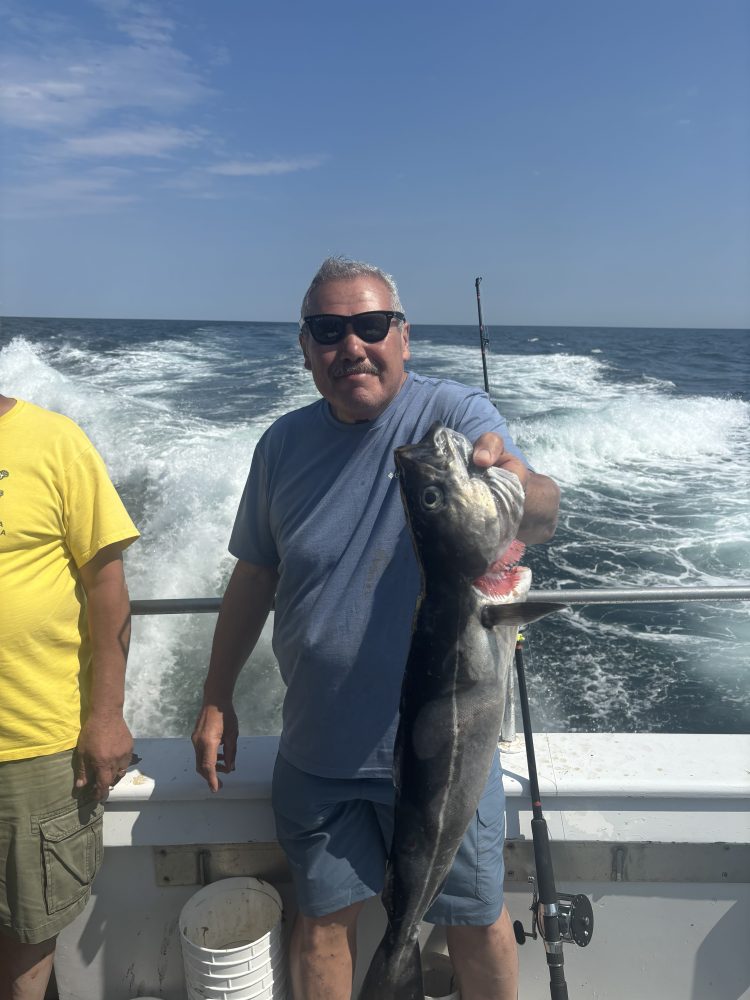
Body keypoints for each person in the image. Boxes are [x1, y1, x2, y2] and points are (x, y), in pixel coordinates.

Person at [192, 257, 560, 1000]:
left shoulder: (451, 416)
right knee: (323, 922)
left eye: (369, 326)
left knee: (476, 919)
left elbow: (543, 507)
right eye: (329, 331)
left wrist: (517, 488)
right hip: (319, 744)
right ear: (305, 348)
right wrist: (215, 695)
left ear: (404, 336)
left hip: (445, 747)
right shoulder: (281, 446)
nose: (350, 346)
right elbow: (255, 576)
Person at [0, 395, 139, 1000]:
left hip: (30, 745)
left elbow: (106, 585)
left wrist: (105, 717)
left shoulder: (56, 441)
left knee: (28, 930)